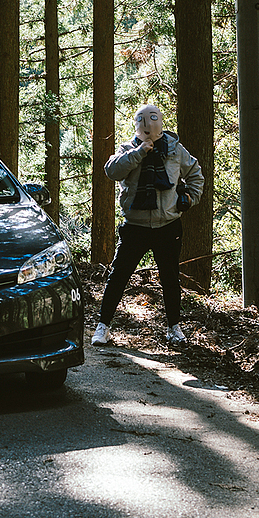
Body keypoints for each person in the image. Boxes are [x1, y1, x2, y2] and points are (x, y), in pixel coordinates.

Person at [93, 104, 204, 346]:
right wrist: (140, 152)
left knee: (170, 278)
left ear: (160, 122)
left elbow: (195, 173)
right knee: (119, 275)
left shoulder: (174, 149)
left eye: (153, 119)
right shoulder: (127, 149)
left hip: (168, 225)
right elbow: (112, 170)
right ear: (136, 124)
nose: (148, 124)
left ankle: (174, 327)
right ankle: (103, 326)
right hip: (136, 225)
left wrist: (188, 199)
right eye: (143, 121)